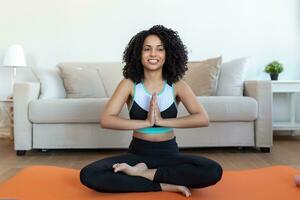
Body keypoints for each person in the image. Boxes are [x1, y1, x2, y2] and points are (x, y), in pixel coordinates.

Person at [80, 25, 223, 197]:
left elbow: (202, 118)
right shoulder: (129, 84)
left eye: (159, 49)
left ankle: (141, 174)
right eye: (147, 49)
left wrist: (162, 121)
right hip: (137, 154)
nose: (153, 54)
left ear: (168, 54)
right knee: (90, 174)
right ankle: (164, 184)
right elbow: (107, 119)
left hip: (169, 154)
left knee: (212, 170)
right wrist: (146, 123)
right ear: (138, 54)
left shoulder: (177, 85)